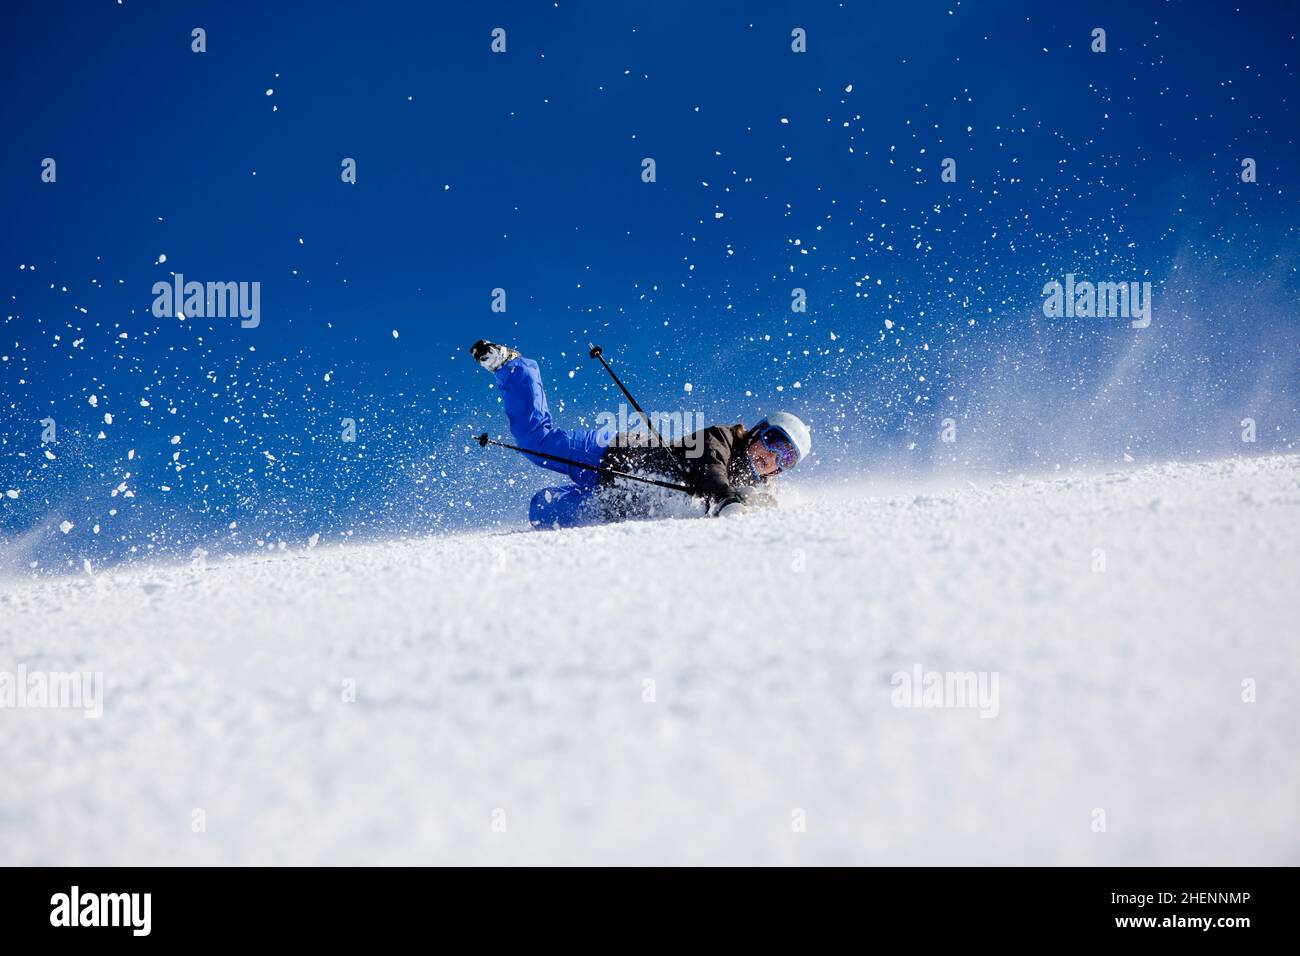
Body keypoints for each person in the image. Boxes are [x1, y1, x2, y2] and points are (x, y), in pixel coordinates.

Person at [472, 340, 811, 530]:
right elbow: (710, 468)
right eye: (774, 442)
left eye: (785, 459)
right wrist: (727, 502)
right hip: (612, 457)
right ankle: (515, 368)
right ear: (757, 432)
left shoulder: (754, 486)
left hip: (614, 502)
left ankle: (566, 493)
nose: (772, 457)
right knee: (537, 444)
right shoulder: (721, 439)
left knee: (542, 513)